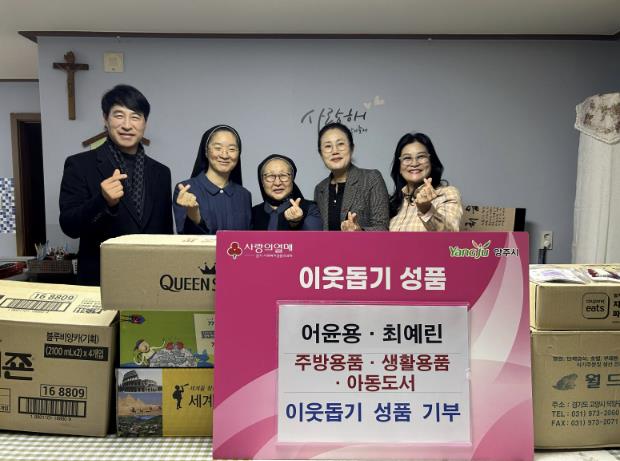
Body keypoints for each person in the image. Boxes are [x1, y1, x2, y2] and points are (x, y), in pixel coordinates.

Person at [59, 84, 173, 286]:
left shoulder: (161, 173)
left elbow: (165, 234)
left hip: (152, 280)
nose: (127, 125)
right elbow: (69, 226)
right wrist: (102, 201)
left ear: (145, 123)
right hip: (101, 281)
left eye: (135, 117)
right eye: (119, 115)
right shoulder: (80, 165)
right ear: (106, 119)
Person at [173, 125, 252, 234]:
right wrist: (194, 215)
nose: (224, 155)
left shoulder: (244, 195)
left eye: (232, 149)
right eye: (218, 148)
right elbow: (184, 237)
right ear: (206, 151)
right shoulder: (186, 190)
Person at [314, 122, 389, 231]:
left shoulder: (371, 179)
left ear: (352, 148)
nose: (335, 151)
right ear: (321, 154)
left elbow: (382, 228)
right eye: (328, 146)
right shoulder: (320, 189)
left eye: (340, 144)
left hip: (362, 243)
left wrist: (360, 232)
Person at [388, 132, 462, 231]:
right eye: (407, 158)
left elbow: (449, 235)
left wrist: (427, 210)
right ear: (399, 167)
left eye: (421, 156)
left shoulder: (446, 194)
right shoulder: (393, 203)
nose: (414, 163)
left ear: (431, 162)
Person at [252, 154, 322, 230]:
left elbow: (314, 237)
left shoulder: (310, 209)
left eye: (283, 175)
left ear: (292, 179)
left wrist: (295, 223)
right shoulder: (252, 213)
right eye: (270, 176)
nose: (277, 183)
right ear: (262, 182)